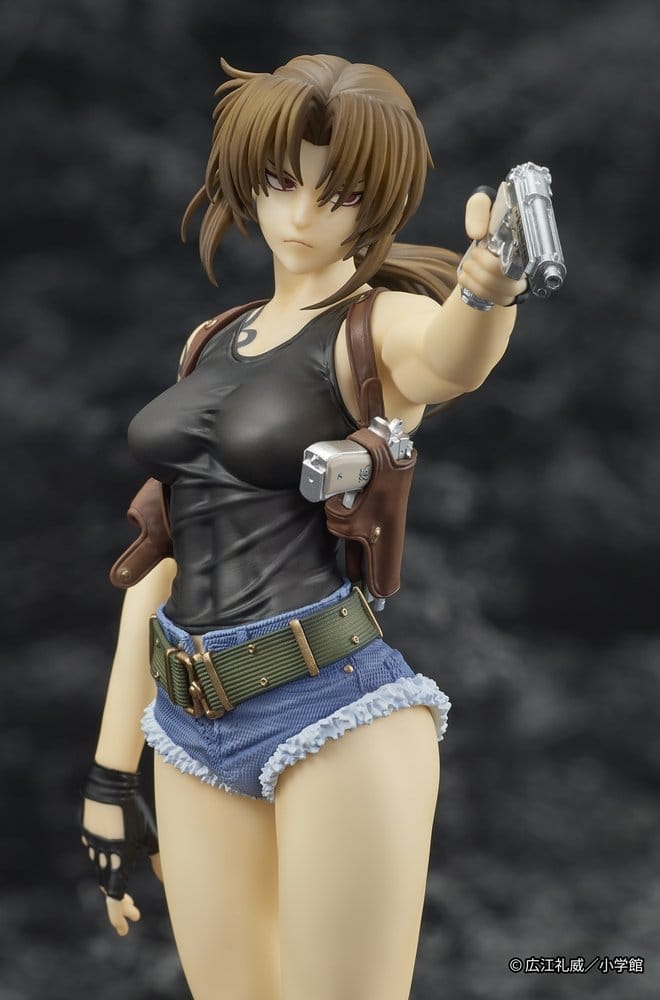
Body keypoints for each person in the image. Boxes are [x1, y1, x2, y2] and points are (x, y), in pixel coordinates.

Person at [81, 54, 527, 1000]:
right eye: (283, 181)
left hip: (331, 709)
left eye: (340, 193)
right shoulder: (212, 342)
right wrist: (112, 772)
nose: (301, 213)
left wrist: (488, 289)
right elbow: (158, 562)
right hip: (189, 719)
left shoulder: (380, 325)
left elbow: (450, 360)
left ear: (378, 200)